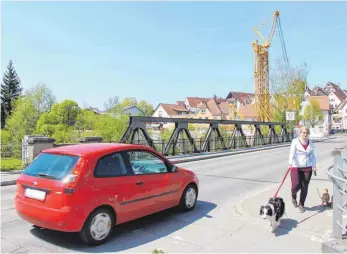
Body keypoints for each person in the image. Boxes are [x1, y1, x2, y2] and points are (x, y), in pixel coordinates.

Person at [288, 126, 317, 213]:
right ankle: (293, 195)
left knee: (304, 187)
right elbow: (291, 153)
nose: (305, 134)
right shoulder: (295, 141)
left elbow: (312, 155)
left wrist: (314, 166)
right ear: (300, 133)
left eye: (306, 133)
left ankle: (301, 204)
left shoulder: (310, 142)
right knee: (296, 185)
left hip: (307, 167)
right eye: (303, 132)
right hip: (295, 166)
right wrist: (290, 163)